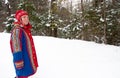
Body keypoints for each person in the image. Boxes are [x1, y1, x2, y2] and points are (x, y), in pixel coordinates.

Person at [10, 10, 38, 78]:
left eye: (27, 17)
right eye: (24, 17)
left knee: (24, 75)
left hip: (27, 59)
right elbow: (16, 47)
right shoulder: (17, 30)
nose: (26, 19)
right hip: (22, 60)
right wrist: (18, 61)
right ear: (20, 19)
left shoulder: (25, 29)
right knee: (21, 75)